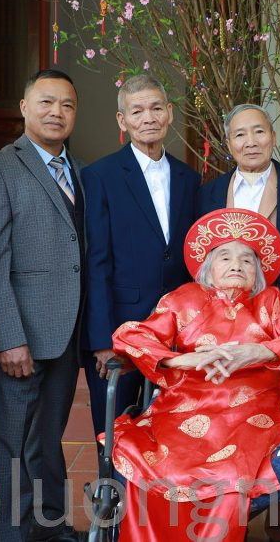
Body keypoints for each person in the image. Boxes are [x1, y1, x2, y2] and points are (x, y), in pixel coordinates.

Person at [106, 208, 280, 541]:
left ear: (258, 272)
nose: (236, 265)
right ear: (208, 269)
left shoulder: (269, 301)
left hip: (251, 410)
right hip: (181, 406)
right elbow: (128, 336)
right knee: (148, 458)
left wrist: (259, 352)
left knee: (231, 467)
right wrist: (181, 360)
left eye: (247, 259)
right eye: (225, 257)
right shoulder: (182, 299)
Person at [0, 69, 86, 542]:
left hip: (67, 333)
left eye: (67, 105)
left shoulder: (80, 169)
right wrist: (8, 338)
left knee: (48, 438)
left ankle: (51, 527)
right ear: (24, 108)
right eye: (46, 102)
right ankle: (9, 534)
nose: (56, 112)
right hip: (23, 334)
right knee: (13, 443)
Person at [81, 74, 201, 437]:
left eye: (155, 108)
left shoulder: (188, 177)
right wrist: (103, 340)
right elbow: (96, 260)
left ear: (169, 113)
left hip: (177, 331)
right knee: (115, 434)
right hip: (121, 329)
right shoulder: (100, 176)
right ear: (122, 120)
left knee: (171, 435)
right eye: (137, 111)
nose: (148, 118)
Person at [199, 103, 280, 328]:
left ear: (273, 136)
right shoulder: (208, 194)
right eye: (240, 135)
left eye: (259, 131)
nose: (251, 142)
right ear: (229, 144)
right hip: (225, 325)